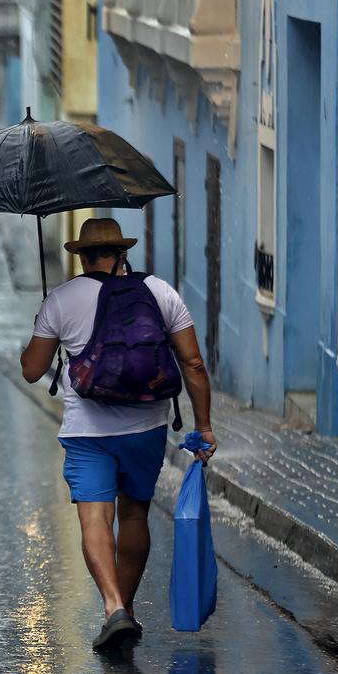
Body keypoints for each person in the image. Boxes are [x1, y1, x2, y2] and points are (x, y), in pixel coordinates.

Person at [19, 217, 216, 651]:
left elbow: (32, 370)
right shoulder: (160, 293)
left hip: (87, 432)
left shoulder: (62, 299)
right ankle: (124, 608)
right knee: (133, 517)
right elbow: (195, 366)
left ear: (82, 257)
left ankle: (114, 610)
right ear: (122, 254)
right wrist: (203, 427)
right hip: (146, 427)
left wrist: (44, 321)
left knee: (95, 519)